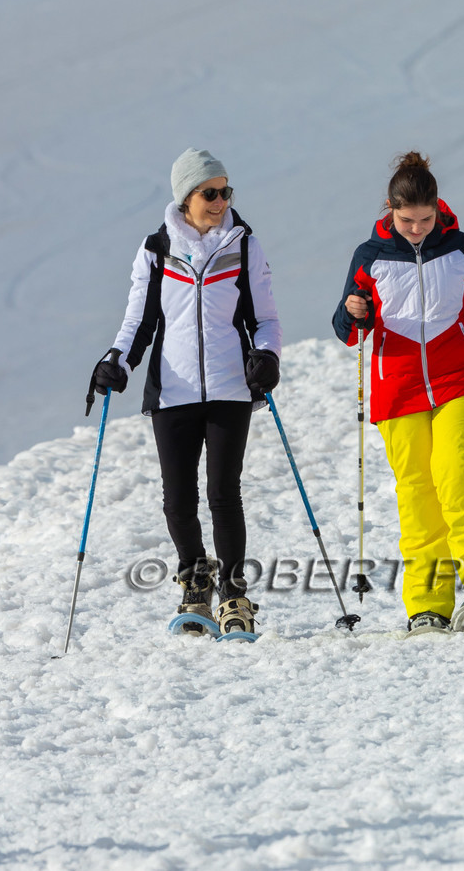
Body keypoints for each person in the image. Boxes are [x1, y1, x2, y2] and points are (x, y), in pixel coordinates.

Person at [91, 148, 283, 639]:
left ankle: (235, 598)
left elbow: (264, 318)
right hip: (172, 388)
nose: (220, 201)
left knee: (224, 494)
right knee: (177, 497)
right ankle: (196, 581)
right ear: (186, 196)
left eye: (226, 191)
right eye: (210, 192)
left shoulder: (245, 245)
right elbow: (140, 318)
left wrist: (266, 355)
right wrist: (116, 359)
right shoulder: (157, 248)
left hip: (229, 387)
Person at [332, 153, 464, 636]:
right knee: (417, 497)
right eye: (406, 220)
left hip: (460, 377)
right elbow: (348, 329)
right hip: (397, 388)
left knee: (457, 475)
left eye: (425, 219)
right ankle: (427, 604)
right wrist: (354, 310)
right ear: (391, 212)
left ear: (438, 208)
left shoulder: (461, 248)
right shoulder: (370, 256)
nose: (416, 229)